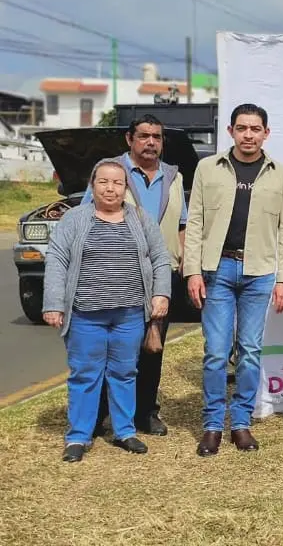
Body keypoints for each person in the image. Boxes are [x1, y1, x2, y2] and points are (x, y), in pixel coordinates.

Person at [185, 104, 283, 456]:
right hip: (216, 270)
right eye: (242, 128)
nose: (249, 135)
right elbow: (196, 224)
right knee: (216, 353)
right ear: (231, 131)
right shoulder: (207, 169)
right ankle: (213, 425)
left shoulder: (280, 174)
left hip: (259, 273)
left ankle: (242, 422)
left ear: (266, 133)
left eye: (255, 129)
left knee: (249, 351)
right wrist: (192, 271)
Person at [43, 159, 171, 462]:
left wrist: (161, 294)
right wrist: (53, 303)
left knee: (124, 373)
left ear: (126, 187)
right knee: (85, 374)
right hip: (85, 315)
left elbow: (161, 258)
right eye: (103, 182)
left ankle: (125, 431)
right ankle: (78, 437)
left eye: (117, 182)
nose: (110, 188)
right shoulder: (74, 219)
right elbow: (57, 260)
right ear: (92, 185)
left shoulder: (141, 218)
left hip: (129, 315)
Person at [83, 115, 186, 439]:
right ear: (130, 139)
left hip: (161, 275)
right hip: (117, 276)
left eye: (156, 136)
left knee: (151, 349)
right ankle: (99, 415)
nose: (151, 142)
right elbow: (87, 218)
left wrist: (183, 263)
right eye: (144, 136)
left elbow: (181, 224)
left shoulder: (174, 177)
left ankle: (145, 413)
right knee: (108, 349)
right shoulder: (111, 173)